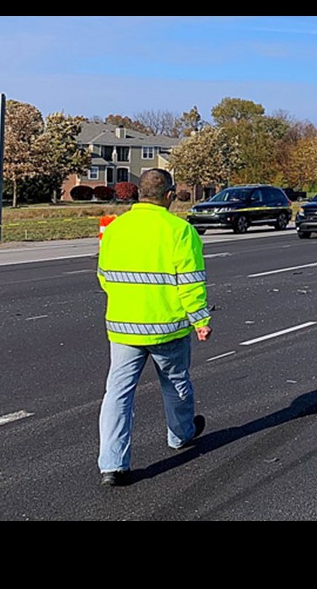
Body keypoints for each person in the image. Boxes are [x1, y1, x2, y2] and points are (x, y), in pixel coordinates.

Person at [96, 168, 211, 487]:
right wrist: (200, 320)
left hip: (123, 328)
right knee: (175, 383)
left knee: (118, 393)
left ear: (137, 194)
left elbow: (104, 277)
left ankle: (112, 464)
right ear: (170, 196)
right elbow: (190, 283)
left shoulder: (114, 229)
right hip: (166, 327)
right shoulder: (180, 230)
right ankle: (181, 434)